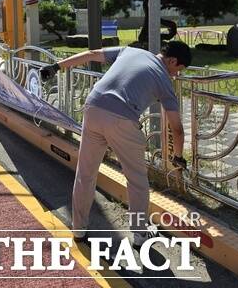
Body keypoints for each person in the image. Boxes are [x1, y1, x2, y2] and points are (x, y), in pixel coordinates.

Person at [40, 41, 191, 247]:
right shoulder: (163, 79)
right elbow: (177, 128)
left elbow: (92, 53)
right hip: (122, 120)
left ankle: (78, 228)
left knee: (85, 173)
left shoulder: (129, 51)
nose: (175, 75)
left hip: (93, 107)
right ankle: (139, 235)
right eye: (177, 70)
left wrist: (56, 67)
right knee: (136, 180)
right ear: (172, 60)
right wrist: (178, 157)